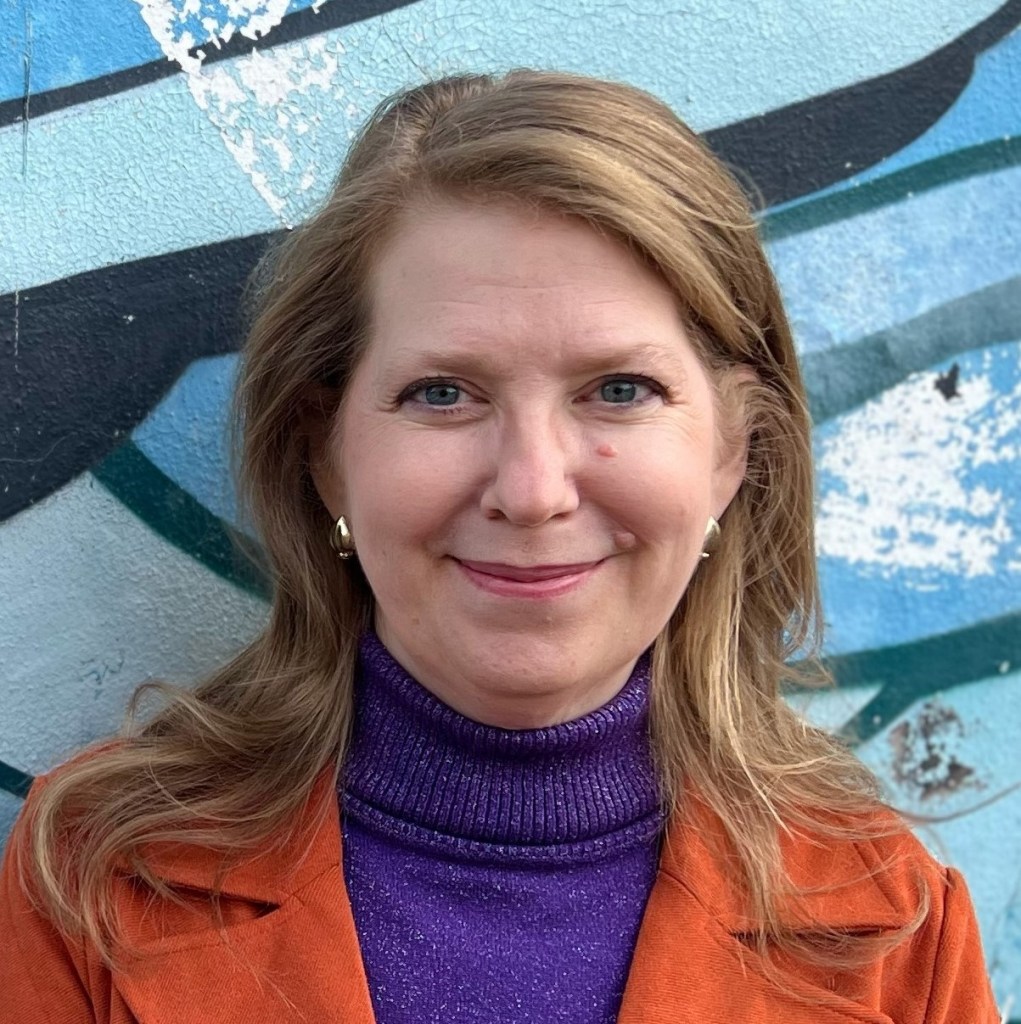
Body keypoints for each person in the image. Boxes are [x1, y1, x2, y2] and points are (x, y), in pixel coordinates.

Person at [0, 70, 999, 1024]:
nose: (531, 491)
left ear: (732, 450)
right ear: (325, 453)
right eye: (442, 393)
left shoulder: (893, 936)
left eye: (619, 390)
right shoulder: (96, 882)